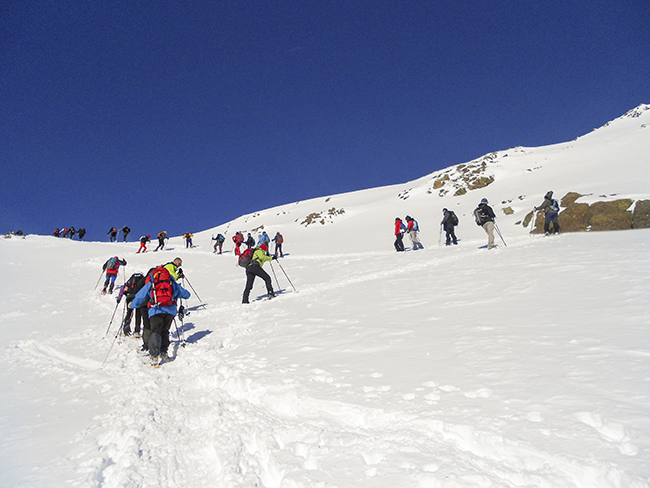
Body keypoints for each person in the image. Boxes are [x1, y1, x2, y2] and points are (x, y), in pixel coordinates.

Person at [129, 265, 190, 365]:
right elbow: (185, 294)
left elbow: (141, 295)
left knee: (155, 331)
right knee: (165, 330)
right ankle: (163, 352)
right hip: (170, 310)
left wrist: (132, 304)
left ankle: (154, 356)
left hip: (156, 309)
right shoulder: (170, 280)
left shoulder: (153, 280)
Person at [117, 272, 147, 338]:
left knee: (129, 313)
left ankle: (126, 330)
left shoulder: (131, 280)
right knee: (138, 314)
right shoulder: (143, 279)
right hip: (138, 298)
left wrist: (120, 296)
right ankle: (137, 331)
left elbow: (123, 287)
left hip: (129, 297)